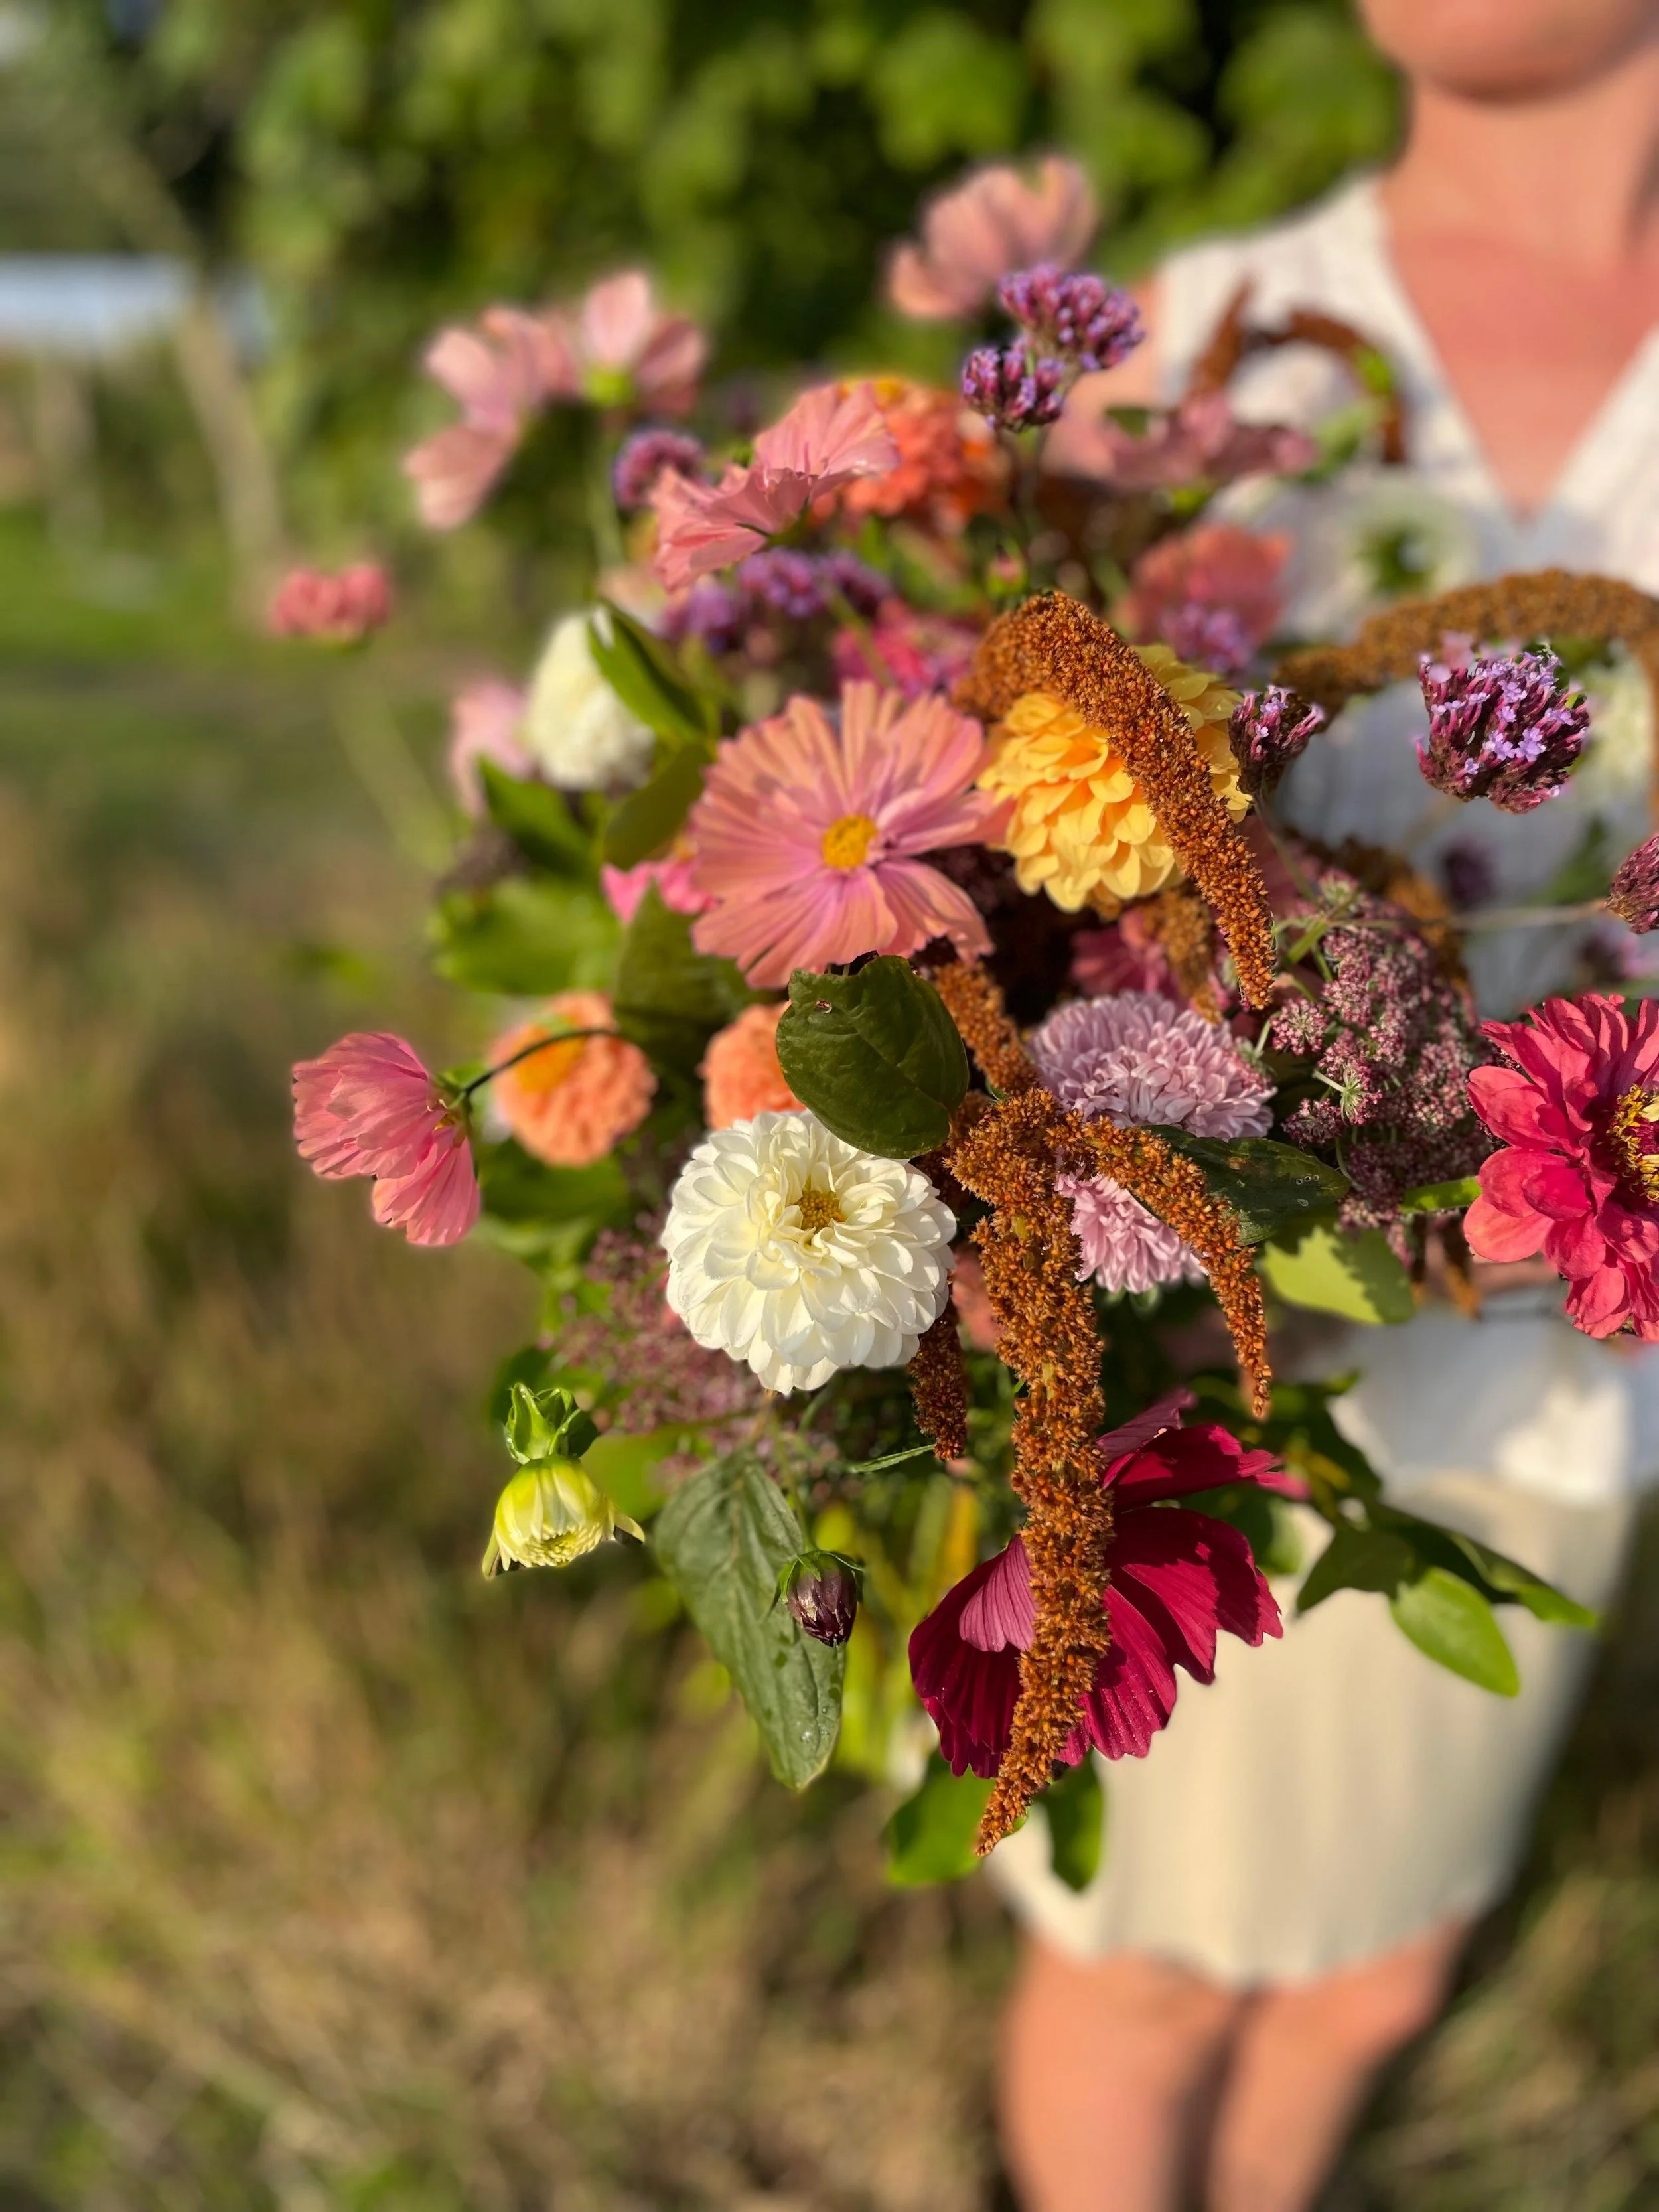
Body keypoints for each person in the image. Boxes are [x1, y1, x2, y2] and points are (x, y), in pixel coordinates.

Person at [990, 4, 1659, 2207]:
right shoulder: (1196, 344)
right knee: (1152, 1956)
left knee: (1378, 1960)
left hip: (1572, 1367)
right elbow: (983, 819)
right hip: (1195, 1358)